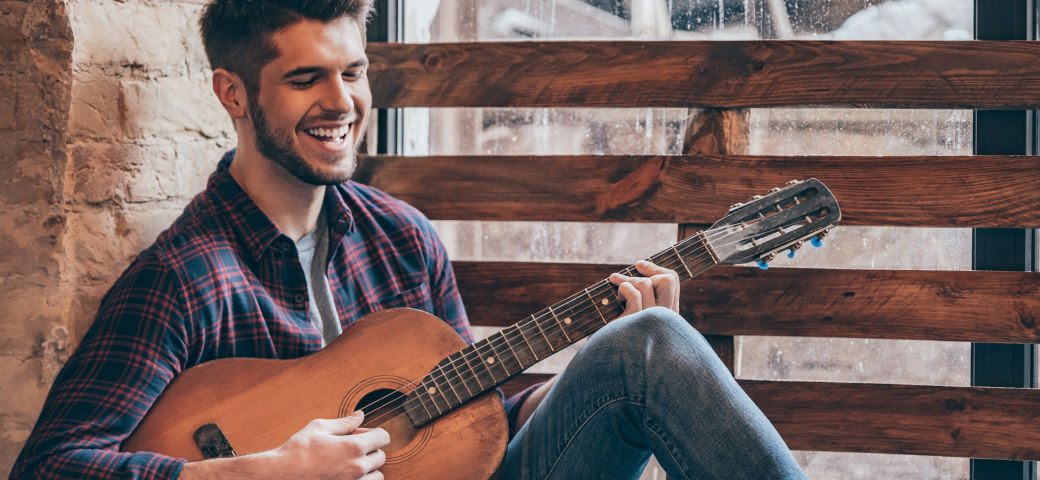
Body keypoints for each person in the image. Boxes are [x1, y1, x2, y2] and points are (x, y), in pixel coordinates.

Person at [9, 0, 808, 478]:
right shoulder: (184, 277)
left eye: (353, 72)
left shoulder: (400, 237)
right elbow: (52, 465)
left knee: (649, 343)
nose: (342, 102)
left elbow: (475, 415)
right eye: (306, 79)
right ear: (233, 94)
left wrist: (593, 365)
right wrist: (262, 472)